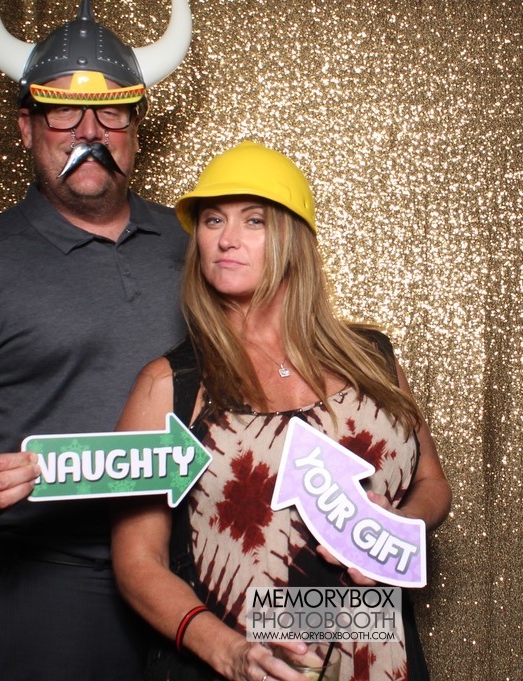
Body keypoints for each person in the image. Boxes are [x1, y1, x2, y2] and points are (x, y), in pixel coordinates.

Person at [0, 1, 192, 678]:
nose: (90, 133)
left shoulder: (199, 245)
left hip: (199, 567)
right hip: (58, 583)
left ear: (136, 130)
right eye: (63, 113)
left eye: (112, 114)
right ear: (26, 128)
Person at [111, 141, 452, 681]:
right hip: (240, 659)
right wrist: (227, 651)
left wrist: (399, 527)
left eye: (254, 221)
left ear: (295, 238)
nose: (226, 238)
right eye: (213, 220)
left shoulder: (373, 359)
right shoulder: (169, 386)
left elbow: (431, 482)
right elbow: (136, 562)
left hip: (377, 651)